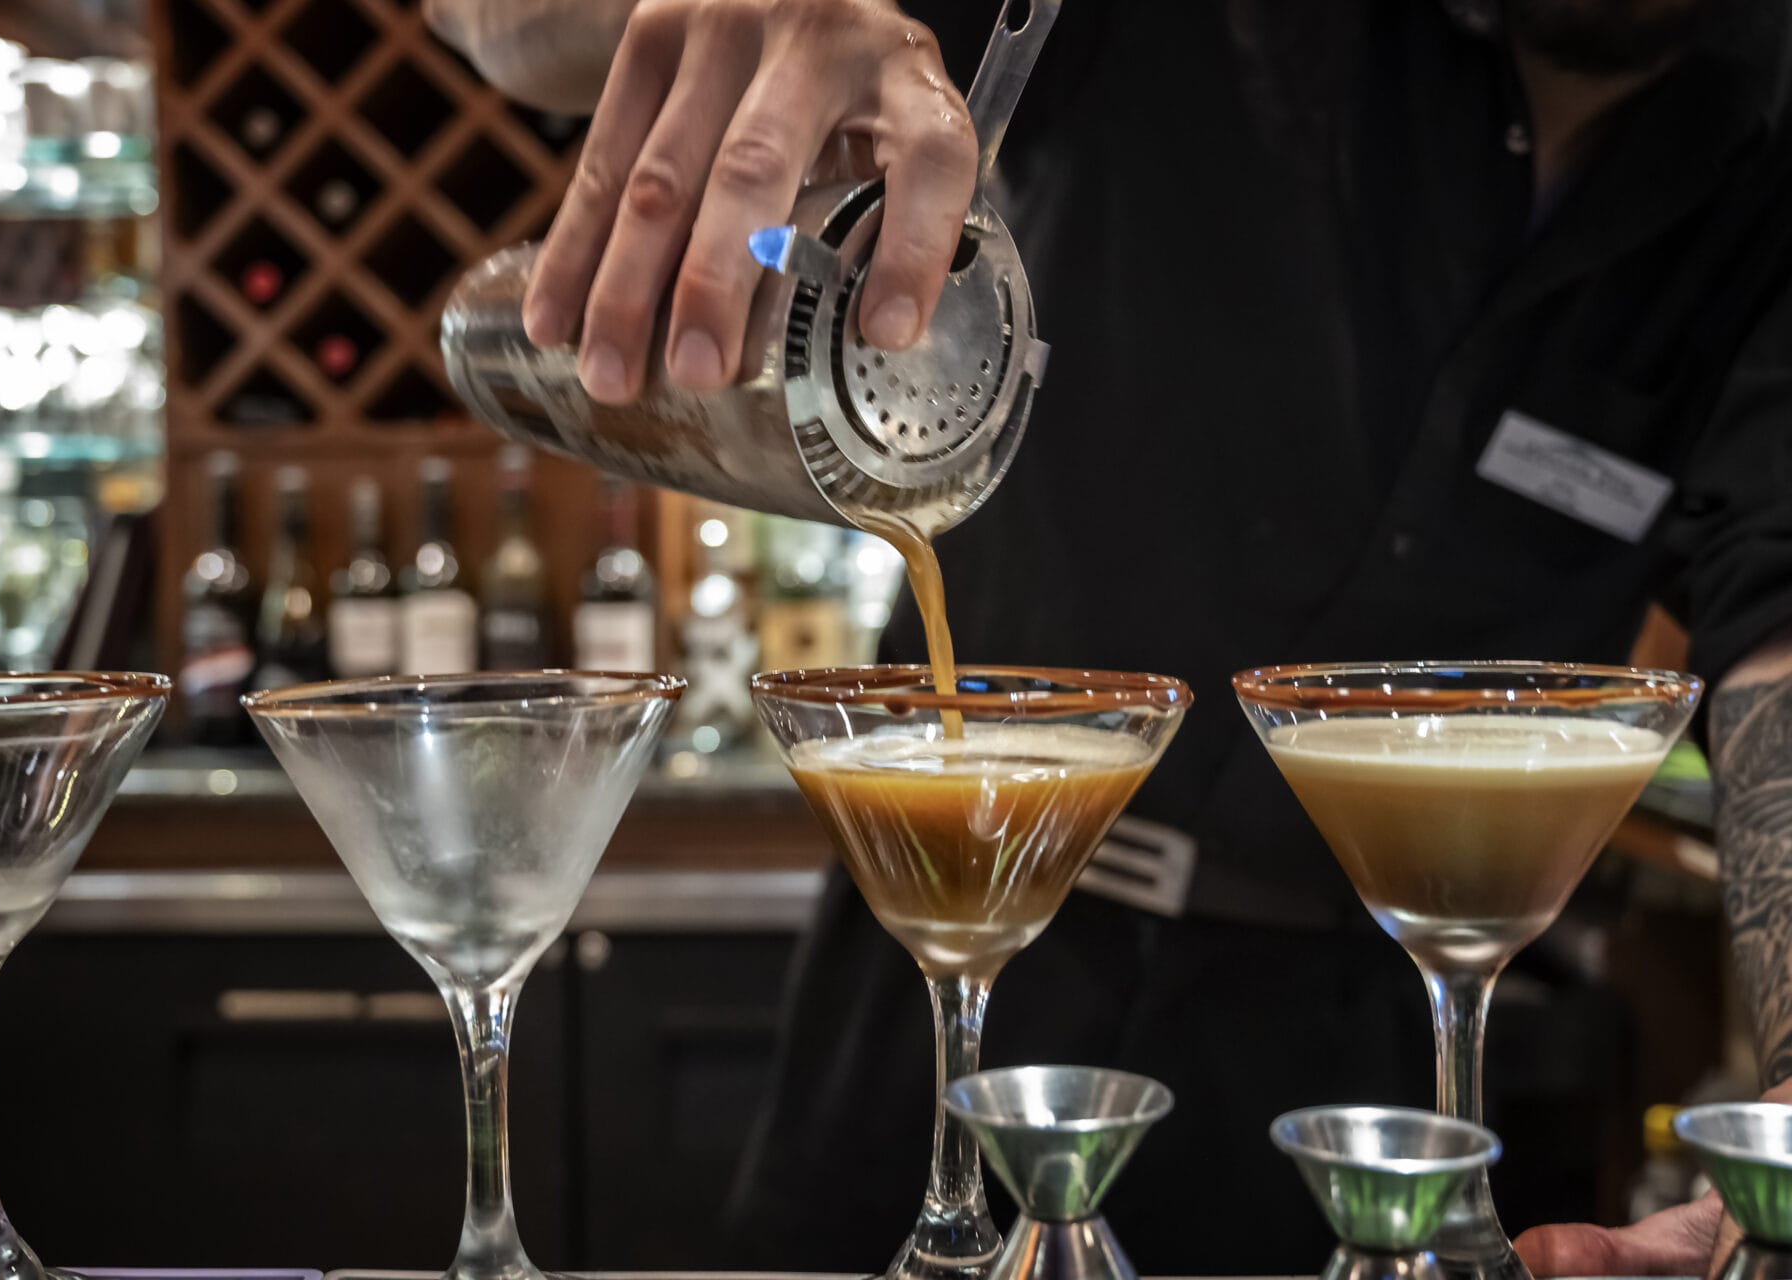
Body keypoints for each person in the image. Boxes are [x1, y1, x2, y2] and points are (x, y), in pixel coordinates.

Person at [428, 0, 1792, 1273]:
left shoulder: (1763, 141)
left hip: (1353, 1048)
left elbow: (1777, 631)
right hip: (952, 959)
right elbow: (482, 20)